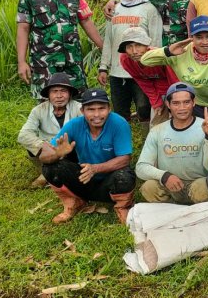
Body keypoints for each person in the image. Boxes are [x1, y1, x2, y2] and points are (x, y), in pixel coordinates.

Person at [16, 0, 103, 98]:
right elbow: (23, 29)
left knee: (77, 101)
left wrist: (104, 49)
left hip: (72, 60)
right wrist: (21, 62)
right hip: (44, 62)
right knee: (47, 102)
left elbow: (86, 21)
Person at [41, 88, 136, 224]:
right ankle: (74, 202)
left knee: (125, 176)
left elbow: (125, 159)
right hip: (83, 179)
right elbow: (44, 156)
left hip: (110, 183)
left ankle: (123, 207)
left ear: (109, 109)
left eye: (101, 108)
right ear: (82, 111)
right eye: (91, 109)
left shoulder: (119, 124)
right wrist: (57, 154)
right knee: (50, 166)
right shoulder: (74, 125)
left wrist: (95, 169)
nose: (97, 114)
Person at [140, 16, 208, 126]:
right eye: (199, 37)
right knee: (201, 136)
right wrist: (168, 50)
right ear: (192, 38)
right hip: (198, 103)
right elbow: (145, 60)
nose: (205, 42)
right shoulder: (180, 52)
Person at [98, 0, 163, 125]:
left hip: (142, 71)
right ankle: (123, 145)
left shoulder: (149, 9)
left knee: (144, 108)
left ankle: (148, 141)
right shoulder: (114, 10)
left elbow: (155, 40)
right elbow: (109, 40)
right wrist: (103, 67)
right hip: (117, 72)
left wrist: (152, 66)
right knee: (120, 112)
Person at [135, 83, 208, 204]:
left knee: (203, 189)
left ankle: (192, 210)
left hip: (197, 184)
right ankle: (171, 209)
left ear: (193, 102)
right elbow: (141, 167)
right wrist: (165, 176)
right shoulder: (157, 131)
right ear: (168, 104)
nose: (182, 108)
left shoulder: (207, 127)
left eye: (186, 102)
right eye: (176, 103)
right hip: (170, 185)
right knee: (149, 187)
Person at [18, 72, 82, 188]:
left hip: (71, 149)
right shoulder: (39, 110)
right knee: (31, 145)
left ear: (70, 94)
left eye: (63, 91)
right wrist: (43, 145)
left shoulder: (78, 108)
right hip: (48, 149)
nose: (59, 96)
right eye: (54, 91)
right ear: (48, 94)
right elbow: (23, 134)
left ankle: (67, 172)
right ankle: (45, 172)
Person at [118, 27, 179, 127]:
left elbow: (174, 80)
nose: (134, 51)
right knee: (157, 124)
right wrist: (156, 102)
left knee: (179, 119)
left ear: (147, 45)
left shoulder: (160, 56)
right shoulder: (125, 60)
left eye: (138, 45)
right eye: (129, 47)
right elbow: (142, 81)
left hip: (173, 87)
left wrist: (176, 100)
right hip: (156, 90)